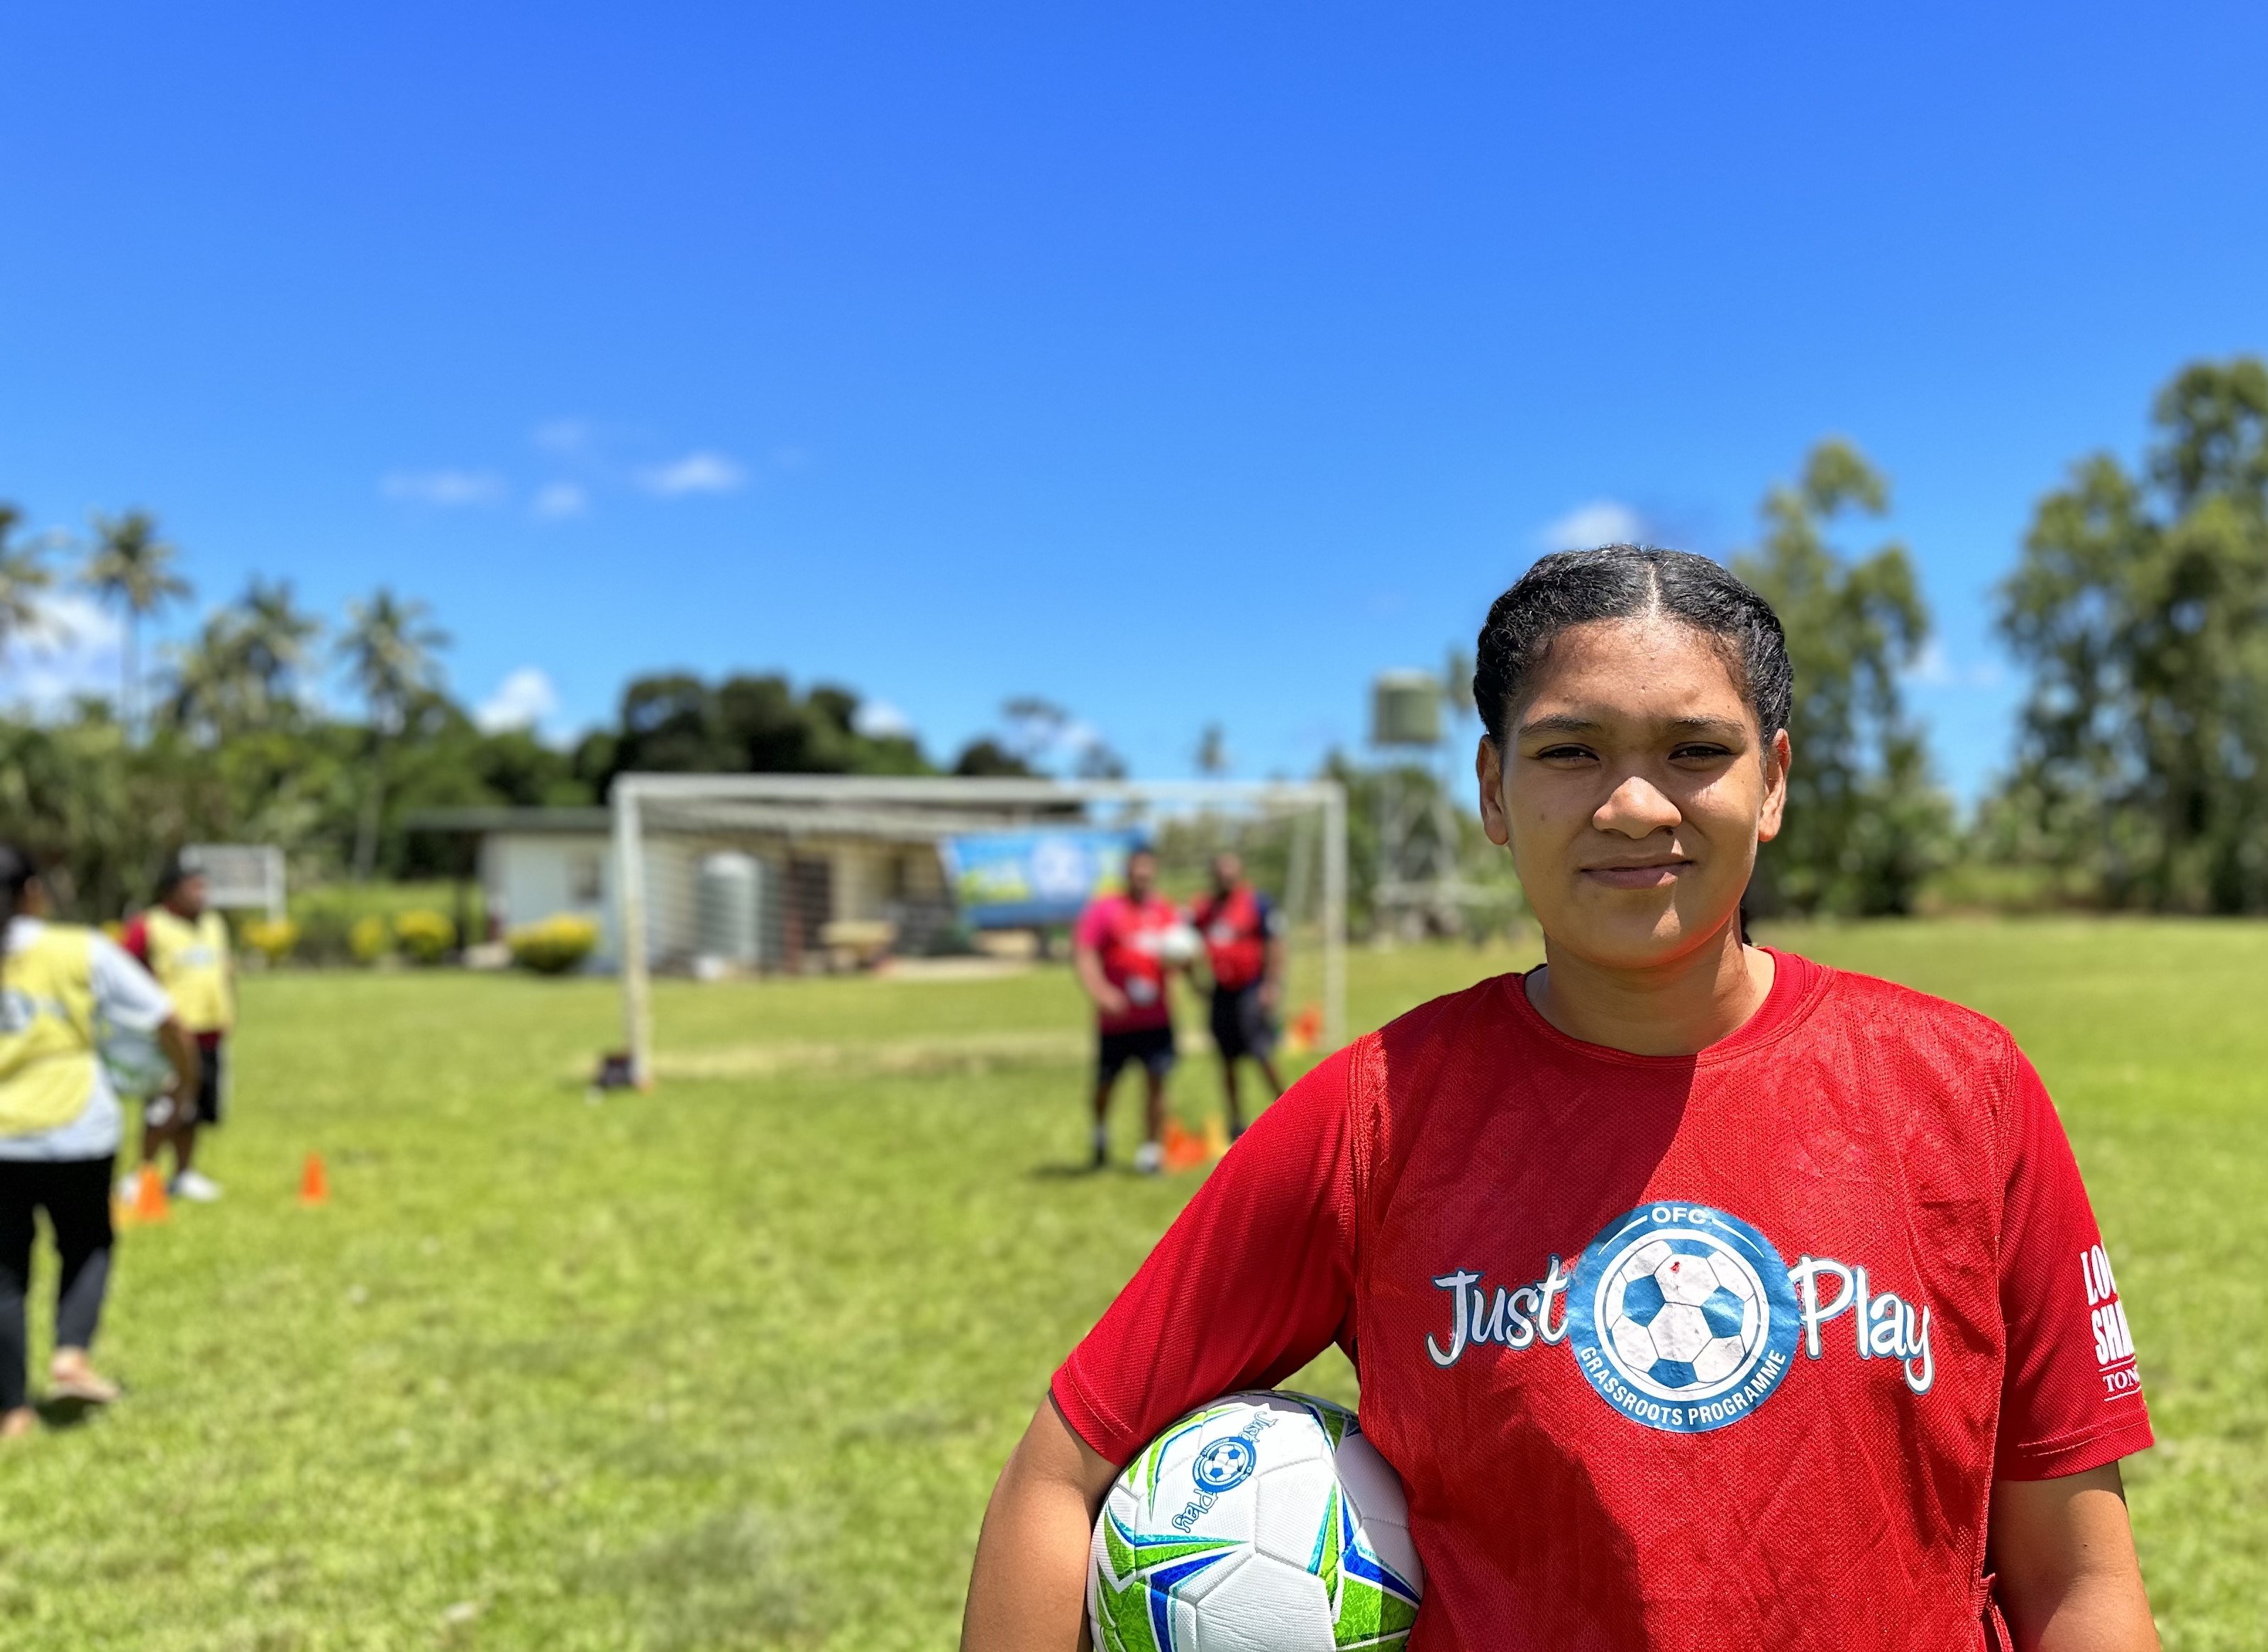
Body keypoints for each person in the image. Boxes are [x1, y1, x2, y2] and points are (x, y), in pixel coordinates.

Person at [963, 547, 2158, 1651]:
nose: (1634, 803)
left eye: (1695, 750)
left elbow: (2074, 1576)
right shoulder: (1377, 1112)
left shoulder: (1965, 1088)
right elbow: (1058, 1473)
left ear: (1774, 780)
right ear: (1492, 788)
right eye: (1570, 749)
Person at [0, 843, 198, 1438]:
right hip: (78, 1129)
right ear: (33, 891)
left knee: (4, 1274)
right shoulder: (79, 948)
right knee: (87, 1244)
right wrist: (185, 1082)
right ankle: (70, 1353)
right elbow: (168, 1019)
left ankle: (13, 1411)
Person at [1071, 847, 1188, 1175]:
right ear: (1127, 873)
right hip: (1117, 1022)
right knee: (1106, 1084)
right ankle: (1100, 1136)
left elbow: (1181, 958)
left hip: (1157, 1018)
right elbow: (1084, 953)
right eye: (1137, 873)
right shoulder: (1104, 910)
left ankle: (1151, 1151)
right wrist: (1102, 993)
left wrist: (1184, 963)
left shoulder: (1165, 912)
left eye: (1147, 873)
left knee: (1157, 1081)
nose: (1142, 878)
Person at [122, 859, 234, 1202]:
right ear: (173, 890)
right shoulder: (150, 926)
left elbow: (225, 971)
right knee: (166, 1109)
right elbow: (122, 970)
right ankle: (142, 1174)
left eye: (205, 887)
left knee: (195, 1111)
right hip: (170, 1038)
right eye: (194, 887)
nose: (202, 895)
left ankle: (184, 1174)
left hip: (209, 1033)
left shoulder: (213, 924)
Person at [1187, 851, 1285, 1138]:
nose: (1226, 878)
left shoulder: (1257, 903)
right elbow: (1181, 943)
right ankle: (1236, 1122)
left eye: (1231, 873)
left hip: (1250, 990)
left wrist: (1271, 984)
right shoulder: (1204, 910)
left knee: (1261, 1053)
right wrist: (1193, 979)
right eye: (1221, 873)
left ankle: (1288, 1108)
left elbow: (1275, 943)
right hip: (1221, 993)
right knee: (1226, 1059)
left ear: (1239, 873)